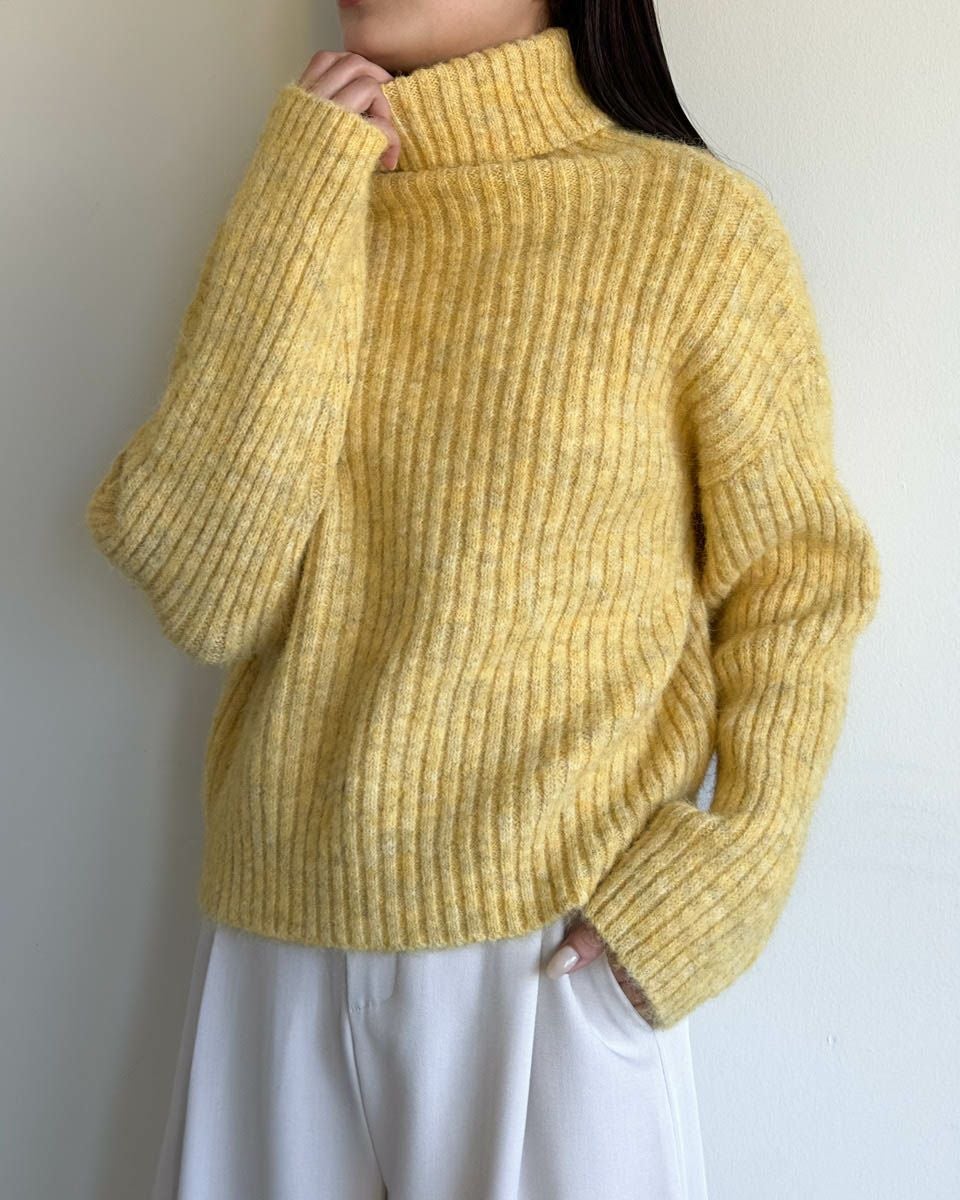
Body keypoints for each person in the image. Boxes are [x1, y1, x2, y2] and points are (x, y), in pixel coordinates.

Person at [84, 2, 881, 1197]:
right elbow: (207, 593)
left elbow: (798, 587)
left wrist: (720, 881)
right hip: (274, 949)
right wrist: (299, 196)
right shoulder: (311, 198)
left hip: (548, 963)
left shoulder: (692, 227)